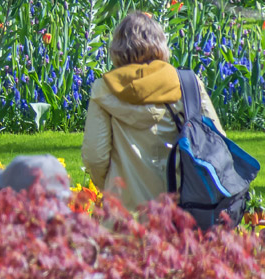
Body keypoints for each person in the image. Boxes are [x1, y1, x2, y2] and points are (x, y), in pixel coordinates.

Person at [82, 11, 223, 213]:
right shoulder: (187, 84)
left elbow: (95, 156)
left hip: (123, 213)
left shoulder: (104, 89)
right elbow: (216, 142)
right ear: (161, 44)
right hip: (183, 210)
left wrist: (109, 188)